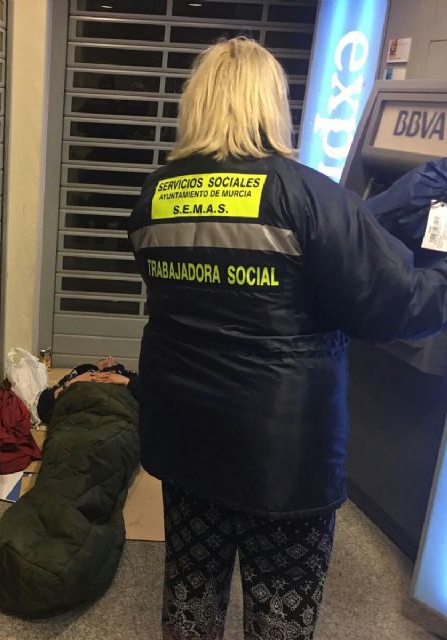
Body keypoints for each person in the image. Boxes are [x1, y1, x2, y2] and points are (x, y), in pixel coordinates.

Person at [128, 37, 447, 640]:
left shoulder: (156, 196)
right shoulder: (310, 196)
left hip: (184, 434)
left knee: (191, 592)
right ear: (271, 104)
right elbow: (399, 307)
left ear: (196, 104)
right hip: (283, 454)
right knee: (280, 610)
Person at [37, 356, 139, 423]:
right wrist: (72, 382)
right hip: (77, 420)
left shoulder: (129, 377)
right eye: (104, 359)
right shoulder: (81, 373)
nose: (109, 357)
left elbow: (146, 400)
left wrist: (127, 381)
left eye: (113, 360)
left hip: (117, 419)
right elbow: (44, 409)